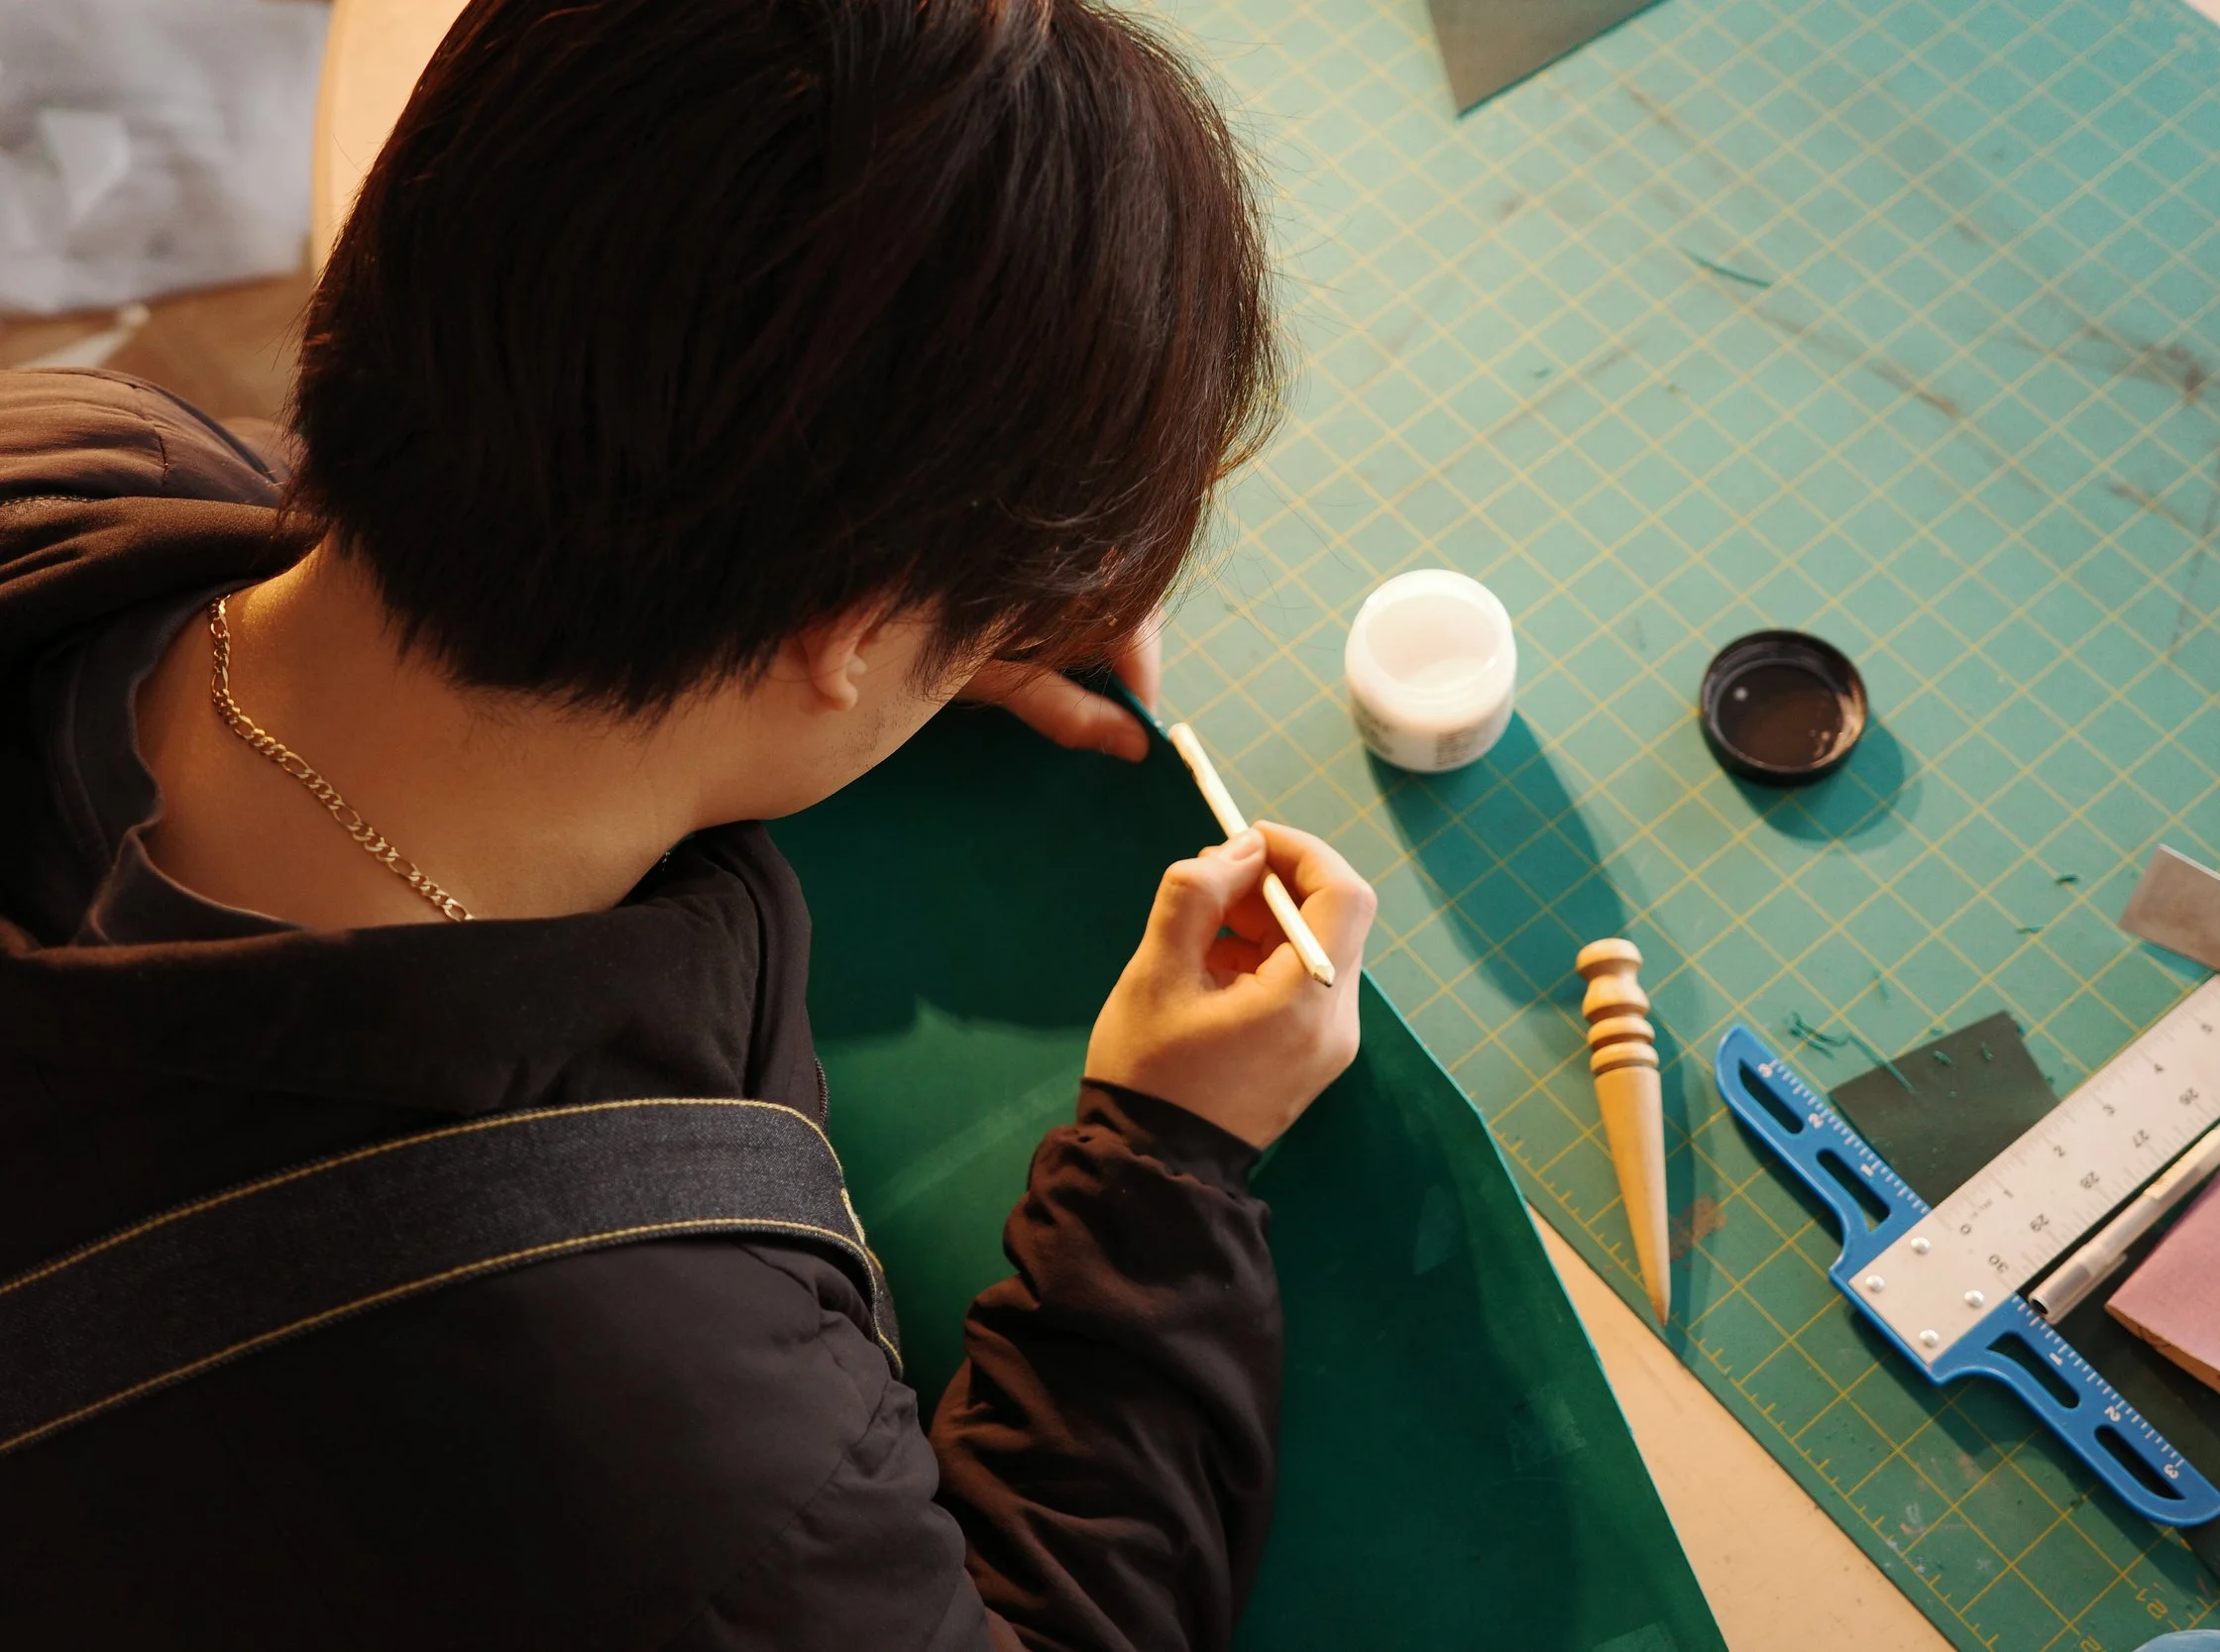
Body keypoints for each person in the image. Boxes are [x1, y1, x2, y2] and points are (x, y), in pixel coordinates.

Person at [0, 0, 1376, 1647]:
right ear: (851, 633)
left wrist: (861, 611)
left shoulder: (69, 457)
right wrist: (1165, 1163)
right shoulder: (661, 1452)